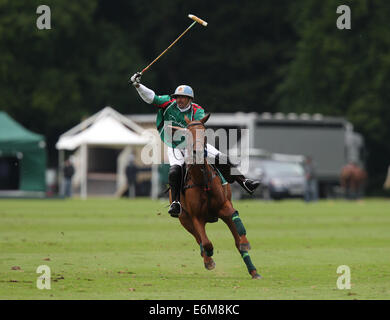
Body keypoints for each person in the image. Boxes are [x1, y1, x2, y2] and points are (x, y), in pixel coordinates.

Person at [130, 72, 260, 217]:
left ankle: (244, 182)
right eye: (177, 97)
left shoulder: (198, 111)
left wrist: (183, 129)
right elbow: (151, 98)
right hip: (175, 146)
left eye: (182, 97)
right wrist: (138, 86)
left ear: (189, 99)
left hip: (195, 145)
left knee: (223, 158)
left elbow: (196, 129)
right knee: (174, 171)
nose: (178, 100)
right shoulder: (168, 103)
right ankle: (176, 203)